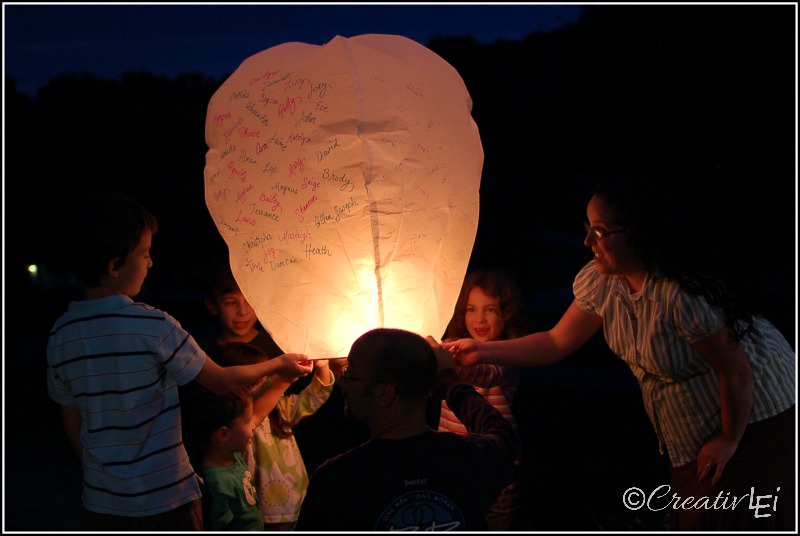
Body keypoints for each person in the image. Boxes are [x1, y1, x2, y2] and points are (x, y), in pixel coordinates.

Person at [443, 175, 796, 531]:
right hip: (697, 422)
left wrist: (728, 439)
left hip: (754, 413)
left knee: (738, 517)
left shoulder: (679, 294)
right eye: (587, 228)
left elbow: (735, 371)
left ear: (636, 233)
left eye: (599, 231)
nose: (587, 241)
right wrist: (482, 350)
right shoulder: (605, 281)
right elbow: (555, 342)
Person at [46, 190, 312, 531]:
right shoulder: (154, 325)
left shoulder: (61, 334)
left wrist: (102, 476)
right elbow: (222, 381)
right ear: (114, 266)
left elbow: (72, 421)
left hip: (102, 501)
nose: (150, 263)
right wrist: (278, 365)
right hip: (167, 498)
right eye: (144, 254)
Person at [294, 328, 518, 531]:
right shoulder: (469, 460)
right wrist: (450, 382)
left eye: (350, 374)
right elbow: (502, 434)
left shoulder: (337, 482)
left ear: (384, 393)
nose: (343, 383)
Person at [437, 268, 528, 530]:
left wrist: (447, 364)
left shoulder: (508, 353)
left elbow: (485, 374)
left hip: (498, 469)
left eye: (490, 309)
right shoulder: (451, 345)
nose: (479, 319)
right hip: (452, 464)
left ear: (506, 313)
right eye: (471, 309)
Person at [215, 342, 334, 531]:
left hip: (295, 502)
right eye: (254, 377)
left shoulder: (281, 410)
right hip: (258, 509)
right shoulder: (231, 424)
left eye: (263, 375)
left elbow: (314, 396)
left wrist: (322, 367)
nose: (261, 380)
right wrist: (283, 379)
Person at [185, 387, 264, 531]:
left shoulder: (233, 455)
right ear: (223, 435)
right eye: (247, 422)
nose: (252, 427)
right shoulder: (217, 483)